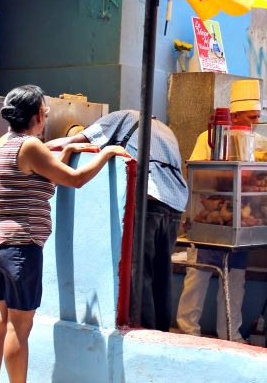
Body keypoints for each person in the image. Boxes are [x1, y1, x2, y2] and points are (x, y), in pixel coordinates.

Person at [0, 85, 123, 383]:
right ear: (36, 115)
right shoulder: (29, 147)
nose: (45, 118)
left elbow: (39, 178)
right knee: (19, 327)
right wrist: (107, 152)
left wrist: (67, 150)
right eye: (45, 112)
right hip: (22, 246)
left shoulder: (0, 145)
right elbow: (76, 179)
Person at [46, 110, 188, 332]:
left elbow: (73, 140)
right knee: (162, 274)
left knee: (140, 272)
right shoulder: (166, 130)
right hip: (175, 201)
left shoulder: (122, 116)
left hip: (148, 195)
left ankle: (145, 335)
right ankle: (163, 334)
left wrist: (34, 145)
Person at [176, 79, 261, 341]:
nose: (254, 123)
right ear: (234, 115)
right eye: (250, 117)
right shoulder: (208, 137)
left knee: (235, 281)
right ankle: (187, 331)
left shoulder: (258, 140)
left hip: (241, 220)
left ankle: (230, 335)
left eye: (257, 117)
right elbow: (196, 172)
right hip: (210, 219)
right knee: (198, 276)